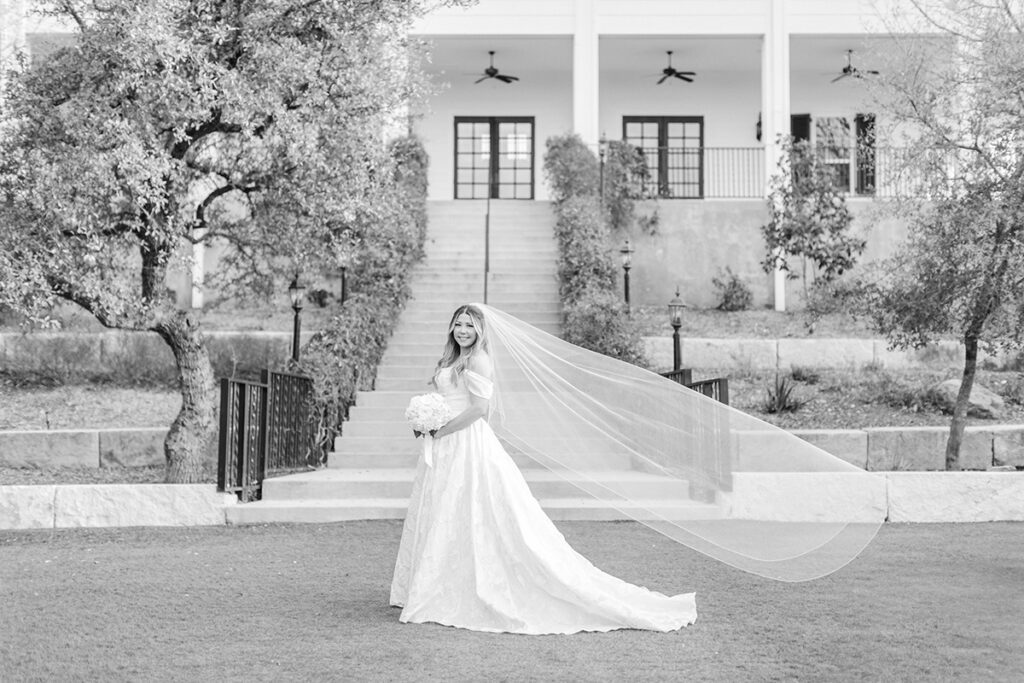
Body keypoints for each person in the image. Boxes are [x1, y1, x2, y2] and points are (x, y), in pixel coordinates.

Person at [389, 304, 698, 634]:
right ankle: (438, 582)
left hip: (466, 443)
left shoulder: (478, 359)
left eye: (469, 325)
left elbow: (480, 409)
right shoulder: (450, 359)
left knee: (472, 510)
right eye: (458, 324)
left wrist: (441, 429)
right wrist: (426, 421)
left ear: (480, 331)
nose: (463, 330)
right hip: (444, 445)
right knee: (444, 511)